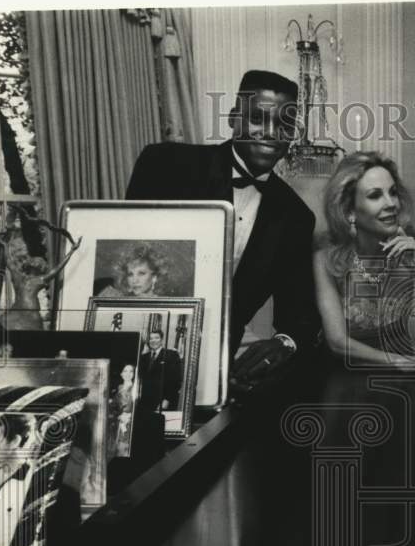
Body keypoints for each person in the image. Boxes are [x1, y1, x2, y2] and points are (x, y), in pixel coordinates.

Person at [126, 70, 321, 384]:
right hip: (135, 348)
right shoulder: (166, 165)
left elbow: (299, 313)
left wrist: (283, 343)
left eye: (285, 124)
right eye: (258, 118)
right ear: (233, 119)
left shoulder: (295, 216)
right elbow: (124, 254)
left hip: (221, 371)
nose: (272, 133)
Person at [313, 151, 415, 379]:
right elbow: (337, 343)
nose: (391, 204)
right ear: (349, 211)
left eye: (393, 193)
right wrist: (399, 361)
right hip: (347, 380)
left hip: (407, 379)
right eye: (375, 195)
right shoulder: (326, 260)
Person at [95, 243, 167, 298]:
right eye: (130, 274)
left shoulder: (164, 305)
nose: (134, 281)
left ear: (154, 277)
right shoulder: (116, 297)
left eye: (141, 273)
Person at [139, 330, 183, 412]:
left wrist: (167, 399)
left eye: (156, 338)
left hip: (163, 401)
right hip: (145, 402)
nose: (153, 341)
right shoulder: (143, 357)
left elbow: (176, 380)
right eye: (151, 338)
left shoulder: (171, 355)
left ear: (161, 340)